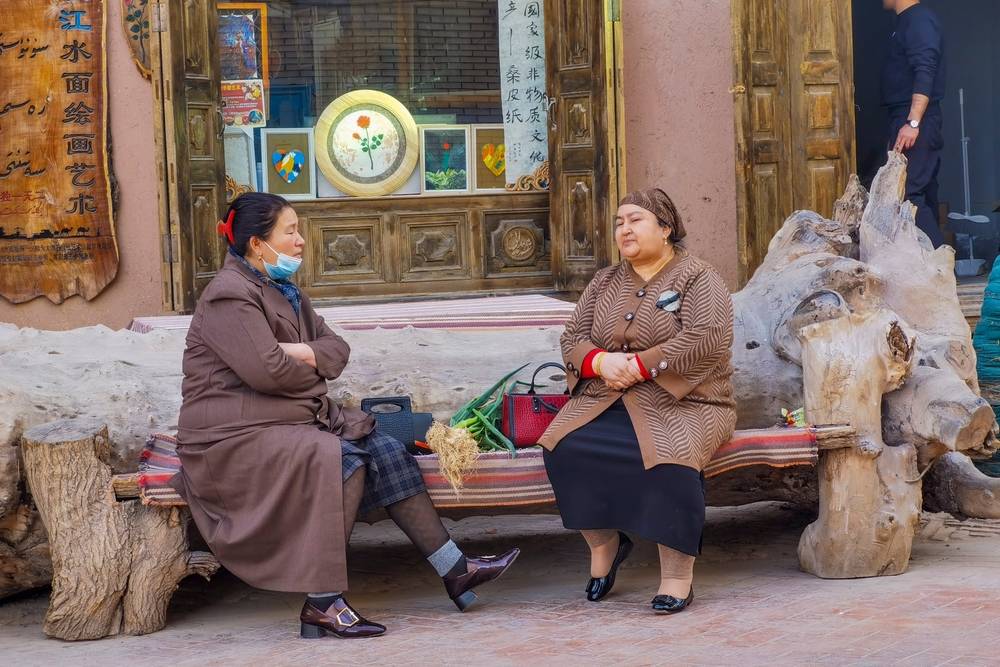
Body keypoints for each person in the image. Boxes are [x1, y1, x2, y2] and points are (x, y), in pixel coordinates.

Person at [171, 192, 519, 639]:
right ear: (258, 244)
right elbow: (267, 372)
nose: (300, 240)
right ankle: (323, 602)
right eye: (290, 231)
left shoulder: (285, 290)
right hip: (231, 434)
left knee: (387, 449)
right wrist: (305, 371)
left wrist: (298, 352)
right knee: (341, 458)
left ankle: (456, 570)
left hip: (286, 418)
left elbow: (337, 352)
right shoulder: (228, 296)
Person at [539, 188, 736, 615]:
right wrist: (600, 361)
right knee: (563, 448)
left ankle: (677, 576)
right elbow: (572, 337)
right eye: (618, 222)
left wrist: (642, 365)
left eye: (635, 220)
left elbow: (707, 337)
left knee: (669, 460)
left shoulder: (698, 276)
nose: (623, 229)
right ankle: (607, 543)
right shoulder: (605, 280)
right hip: (604, 396)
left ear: (665, 228)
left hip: (686, 403)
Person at [881, 0, 946, 247]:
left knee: (909, 195)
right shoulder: (906, 21)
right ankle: (937, 270)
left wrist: (913, 122)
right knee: (922, 193)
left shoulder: (919, 19)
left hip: (916, 120)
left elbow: (925, 69)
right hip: (907, 118)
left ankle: (939, 268)